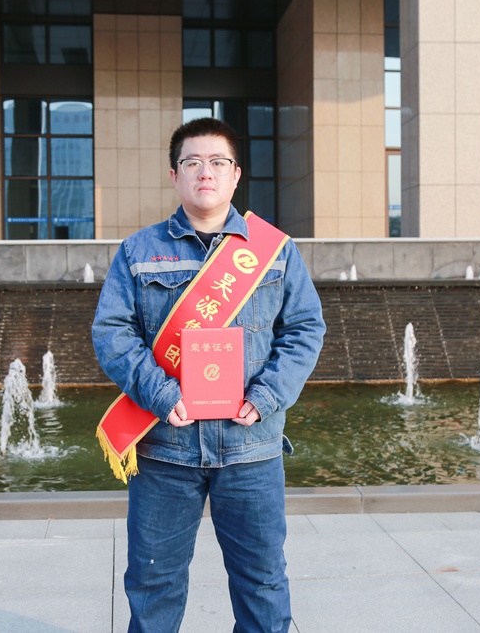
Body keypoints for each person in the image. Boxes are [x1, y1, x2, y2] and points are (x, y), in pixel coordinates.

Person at [91, 117, 326, 632]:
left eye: (218, 162)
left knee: (263, 584)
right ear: (174, 175)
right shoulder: (139, 251)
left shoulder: (275, 251)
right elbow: (111, 332)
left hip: (251, 448)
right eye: (192, 162)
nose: (206, 172)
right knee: (153, 585)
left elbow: (306, 328)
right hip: (165, 450)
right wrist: (159, 392)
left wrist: (266, 396)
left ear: (236, 174)